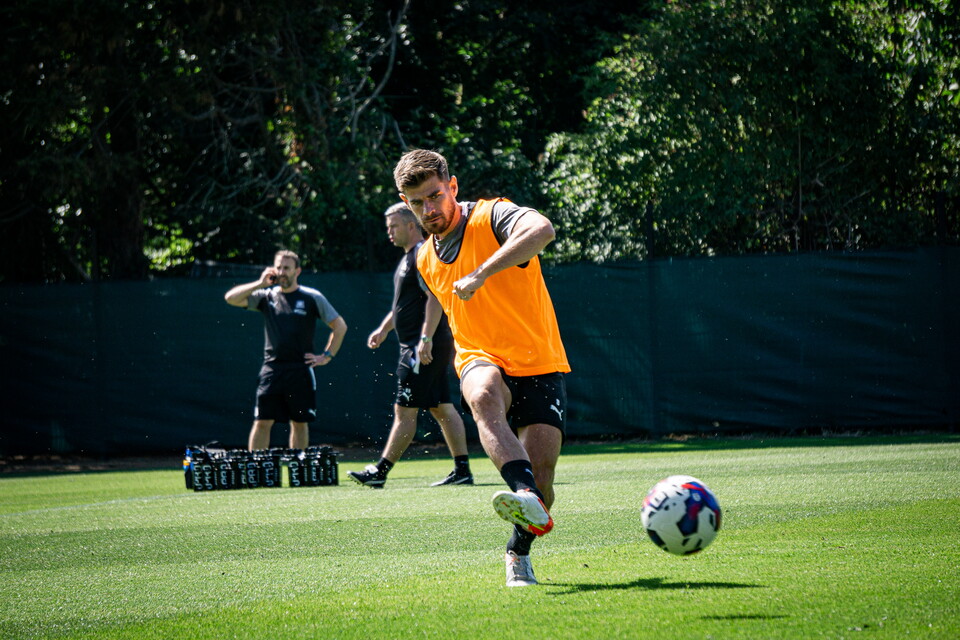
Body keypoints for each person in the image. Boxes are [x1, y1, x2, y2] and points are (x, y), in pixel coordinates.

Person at [393, 149, 570, 587]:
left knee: (544, 480)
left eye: (435, 196)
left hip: (538, 356)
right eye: (418, 203)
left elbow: (542, 229)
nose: (429, 209)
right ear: (406, 202)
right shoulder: (421, 258)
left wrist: (481, 274)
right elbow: (438, 292)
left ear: (452, 186)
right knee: (482, 394)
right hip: (478, 355)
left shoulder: (493, 216)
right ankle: (522, 492)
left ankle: (517, 549)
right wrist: (427, 336)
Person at [348, 203, 474, 489]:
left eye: (394, 226)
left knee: (405, 412)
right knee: (442, 408)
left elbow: (434, 298)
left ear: (410, 225)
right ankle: (462, 470)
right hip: (422, 344)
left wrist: (425, 339)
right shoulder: (409, 257)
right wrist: (383, 329)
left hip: (422, 346)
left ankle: (380, 471)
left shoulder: (421, 254)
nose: (389, 232)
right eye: (388, 227)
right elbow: (405, 304)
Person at [224, 250, 347, 451]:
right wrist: (260, 283)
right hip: (271, 369)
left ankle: (299, 467)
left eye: (287, 268)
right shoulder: (266, 296)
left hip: (300, 369)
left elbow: (340, 326)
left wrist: (326, 356)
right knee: (262, 421)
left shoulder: (311, 297)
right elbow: (230, 298)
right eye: (279, 267)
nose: (282, 272)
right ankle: (258, 469)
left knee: (299, 423)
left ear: (297, 271)